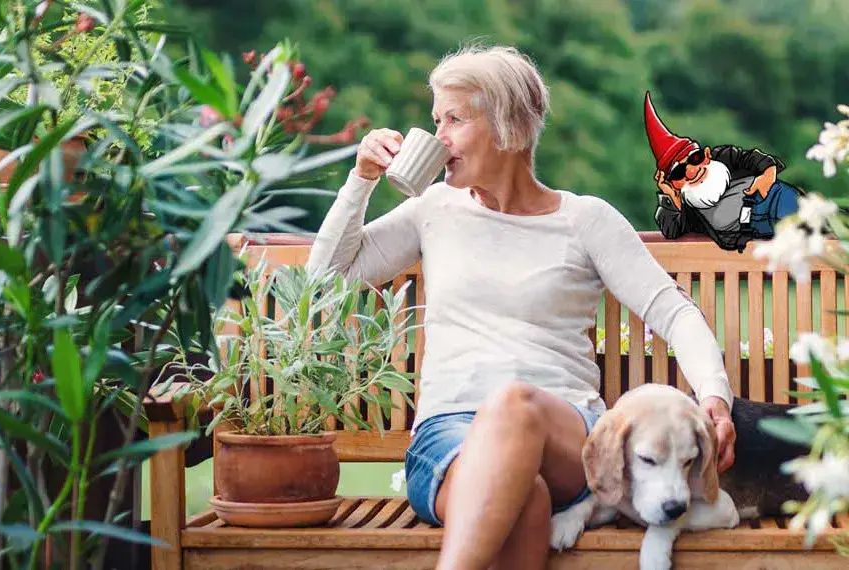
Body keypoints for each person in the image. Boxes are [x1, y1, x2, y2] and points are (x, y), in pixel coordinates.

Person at [305, 44, 738, 570]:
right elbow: (325, 280)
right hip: (447, 436)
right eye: (435, 120)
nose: (437, 137)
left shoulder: (585, 220)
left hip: (564, 434)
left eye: (454, 120)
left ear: (507, 125)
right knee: (526, 501)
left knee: (513, 405)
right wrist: (362, 179)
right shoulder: (432, 210)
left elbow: (673, 311)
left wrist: (714, 398)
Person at [645, 91, 804, 252]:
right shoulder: (689, 210)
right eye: (679, 172)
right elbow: (670, 231)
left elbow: (753, 158)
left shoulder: (723, 157)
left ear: (706, 154)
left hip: (765, 200)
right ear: (672, 183)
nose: (691, 172)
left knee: (798, 211)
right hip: (751, 243)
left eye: (695, 158)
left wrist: (767, 176)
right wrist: (670, 197)